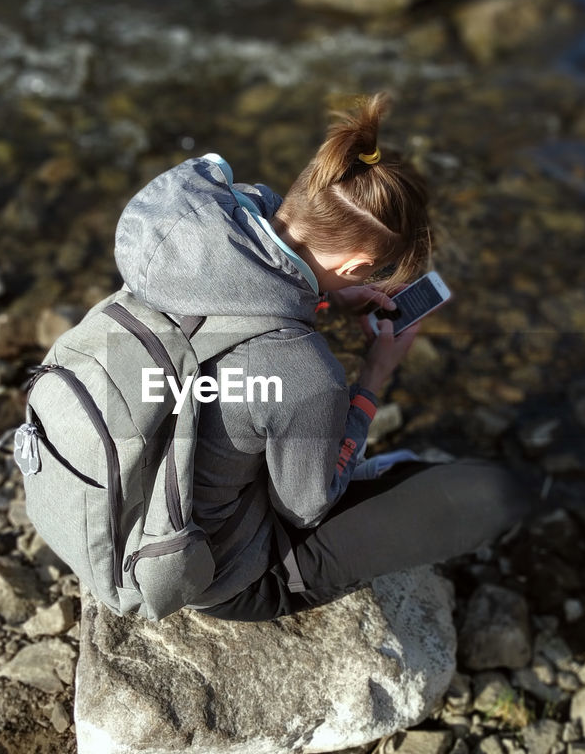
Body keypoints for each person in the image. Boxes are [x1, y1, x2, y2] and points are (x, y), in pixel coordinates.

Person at [111, 93, 530, 622]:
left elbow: (233, 324)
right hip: (207, 571)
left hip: (120, 499)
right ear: (358, 264)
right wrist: (374, 375)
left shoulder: (173, 246)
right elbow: (307, 507)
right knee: (496, 493)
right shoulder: (306, 376)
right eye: (374, 273)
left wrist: (323, 298)